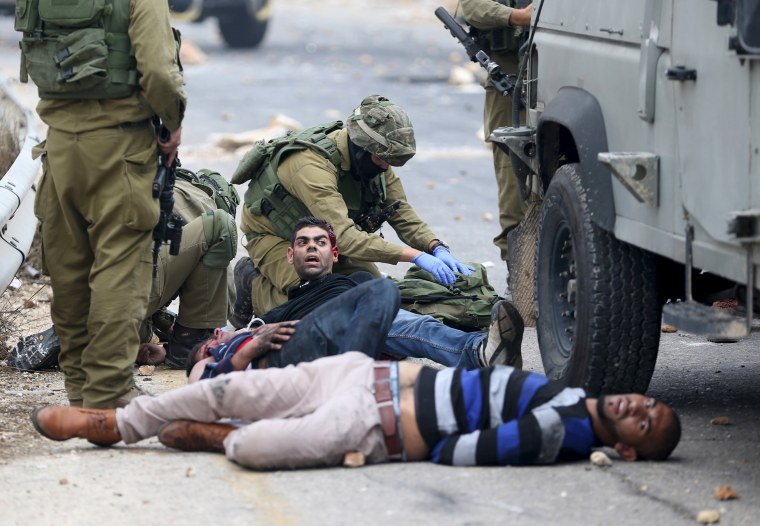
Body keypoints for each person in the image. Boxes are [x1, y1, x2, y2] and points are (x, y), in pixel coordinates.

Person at [30, 351, 682, 470]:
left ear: (625, 447)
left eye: (642, 422)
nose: (636, 405)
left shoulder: (564, 431)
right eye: (649, 404)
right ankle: (112, 423)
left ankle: (219, 438)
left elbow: (486, 449)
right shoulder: (572, 393)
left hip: (375, 427)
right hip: (358, 373)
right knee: (224, 387)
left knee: (255, 451)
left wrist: (417, 444)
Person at [26, 0, 187, 408]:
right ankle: (108, 393)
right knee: (119, 270)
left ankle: (80, 389)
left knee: (69, 269)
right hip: (121, 147)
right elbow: (158, 73)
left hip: (59, 146)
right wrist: (172, 123)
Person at [238, 94, 473, 314]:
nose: (385, 167)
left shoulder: (377, 161)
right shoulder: (311, 166)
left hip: (327, 235)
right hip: (278, 235)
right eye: (381, 160)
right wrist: (413, 256)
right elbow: (345, 237)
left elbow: (400, 211)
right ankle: (252, 283)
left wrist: (434, 247)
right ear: (360, 147)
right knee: (315, 301)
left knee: (375, 293)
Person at [218, 216, 523, 377]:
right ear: (290, 254)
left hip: (370, 318)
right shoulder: (286, 307)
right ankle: (479, 353)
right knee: (406, 323)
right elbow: (252, 333)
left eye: (320, 242)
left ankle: (483, 352)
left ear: (333, 253)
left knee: (415, 323)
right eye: (303, 242)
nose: (312, 247)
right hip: (332, 337)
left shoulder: (358, 280)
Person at [12, 177, 238, 371]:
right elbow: (225, 301)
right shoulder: (205, 207)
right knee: (220, 228)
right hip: (123, 284)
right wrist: (186, 336)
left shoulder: (156, 184)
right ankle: (182, 348)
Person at [455, 1, 533, 266]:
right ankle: (519, 269)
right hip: (509, 80)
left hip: (562, 75)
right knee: (514, 180)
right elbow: (473, 7)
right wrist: (516, 16)